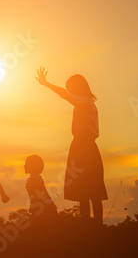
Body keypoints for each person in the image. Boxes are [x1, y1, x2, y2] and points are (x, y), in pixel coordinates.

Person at [36, 67, 107, 224]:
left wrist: (47, 84)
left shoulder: (86, 102)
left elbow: (66, 95)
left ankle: (96, 227)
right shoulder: (85, 103)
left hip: (85, 147)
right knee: (84, 191)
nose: (68, 90)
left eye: (70, 87)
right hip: (82, 146)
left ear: (77, 87)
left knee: (92, 190)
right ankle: (88, 226)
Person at [24, 155, 58, 221]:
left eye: (27, 164)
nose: (25, 166)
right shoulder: (37, 179)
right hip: (47, 210)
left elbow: (37, 198)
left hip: (44, 212)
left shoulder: (32, 181)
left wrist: (34, 208)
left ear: (33, 166)